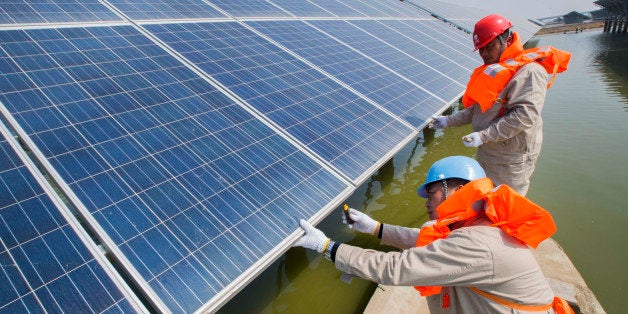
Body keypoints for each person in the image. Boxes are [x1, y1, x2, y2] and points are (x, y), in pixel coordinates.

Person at [293, 156, 573, 313]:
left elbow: (395, 268)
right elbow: (432, 243)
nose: (427, 202)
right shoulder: (483, 225)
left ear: (457, 189)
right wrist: (376, 228)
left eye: (431, 192)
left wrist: (327, 246)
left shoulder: (479, 243)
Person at [429, 14, 571, 195]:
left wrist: (484, 136)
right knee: (485, 199)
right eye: (481, 49)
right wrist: (448, 121)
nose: (485, 54)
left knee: (504, 207)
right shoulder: (497, 70)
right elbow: (479, 108)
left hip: (510, 161)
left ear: (507, 38)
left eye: (490, 46)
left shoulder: (528, 72)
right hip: (489, 153)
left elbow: (524, 116)